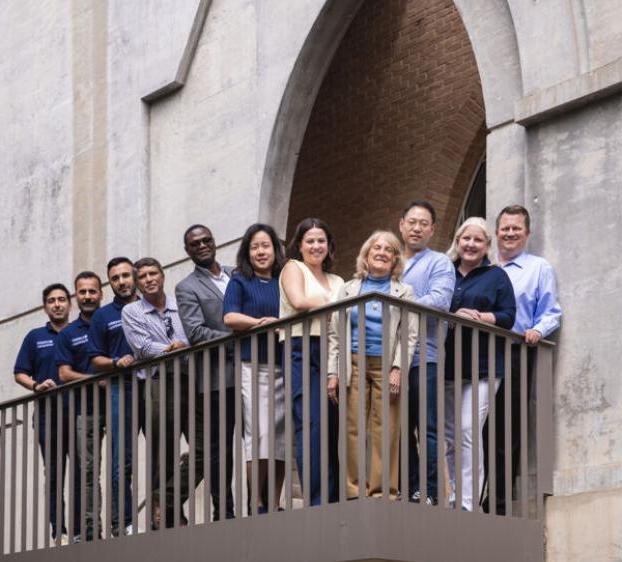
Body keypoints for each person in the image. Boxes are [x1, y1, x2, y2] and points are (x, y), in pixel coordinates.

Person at [327, 231, 418, 499]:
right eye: (375, 248)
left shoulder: (404, 291)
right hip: (353, 363)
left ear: (394, 259)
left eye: (388, 249)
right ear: (366, 255)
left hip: (386, 364)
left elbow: (409, 334)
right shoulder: (348, 288)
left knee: (387, 429)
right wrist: (333, 372)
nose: (381, 252)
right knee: (352, 427)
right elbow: (334, 332)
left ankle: (383, 492)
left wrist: (399, 368)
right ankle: (354, 491)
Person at [484, 205, 562, 514]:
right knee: (476, 425)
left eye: (516, 228)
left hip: (515, 351)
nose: (510, 233)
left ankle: (499, 500)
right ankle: (475, 493)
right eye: (505, 228)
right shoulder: (486, 268)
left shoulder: (538, 267)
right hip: (478, 351)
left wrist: (537, 330)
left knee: (508, 426)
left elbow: (551, 310)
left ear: (527, 234)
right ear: (497, 232)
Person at [444, 217, 516, 511]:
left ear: (487, 246)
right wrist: (453, 312)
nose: (471, 244)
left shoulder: (496, 276)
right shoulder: (445, 272)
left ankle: (469, 501)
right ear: (457, 241)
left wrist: (479, 316)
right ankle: (453, 495)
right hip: (448, 364)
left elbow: (508, 316)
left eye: (478, 240)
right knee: (450, 435)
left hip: (484, 367)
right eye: (466, 238)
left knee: (467, 429)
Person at [121, 258, 191, 528]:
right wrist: (171, 349)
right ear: (138, 283)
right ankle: (166, 518)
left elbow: (192, 335)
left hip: (191, 378)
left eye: (153, 273)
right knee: (163, 451)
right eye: (143, 276)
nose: (149, 279)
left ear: (163, 275)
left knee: (205, 448)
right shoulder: (132, 311)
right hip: (159, 380)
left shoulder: (180, 303)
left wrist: (180, 345)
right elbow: (142, 348)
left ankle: (165, 500)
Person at [279, 218, 344, 506]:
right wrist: (341, 304)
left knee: (335, 425)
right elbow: (299, 300)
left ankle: (338, 496)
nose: (316, 246)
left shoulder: (338, 281)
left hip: (333, 349)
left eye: (321, 241)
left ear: (329, 245)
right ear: (300, 245)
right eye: (310, 241)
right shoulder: (294, 268)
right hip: (301, 347)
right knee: (311, 423)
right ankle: (317, 500)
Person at [223, 223, 286, 513]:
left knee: (281, 435)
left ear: (276, 249)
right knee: (258, 433)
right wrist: (260, 323)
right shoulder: (240, 281)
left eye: (266, 246)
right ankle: (256, 502)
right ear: (247, 252)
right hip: (252, 363)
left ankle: (274, 501)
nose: (261, 252)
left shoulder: (285, 280)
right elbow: (230, 317)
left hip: (285, 365)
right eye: (255, 247)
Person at [175, 224, 235, 520]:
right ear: (187, 251)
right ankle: (224, 510)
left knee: (255, 442)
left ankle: (258, 503)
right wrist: (236, 341)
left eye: (206, 240)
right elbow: (196, 332)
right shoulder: (186, 287)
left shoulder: (238, 274)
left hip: (251, 371)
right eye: (194, 243)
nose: (201, 245)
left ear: (215, 241)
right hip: (216, 379)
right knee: (218, 449)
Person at [13, 283, 80, 543]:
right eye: (51, 300)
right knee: (54, 474)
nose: (57, 304)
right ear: (45, 306)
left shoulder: (79, 333)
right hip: (47, 415)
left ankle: (77, 530)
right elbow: (19, 372)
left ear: (69, 303)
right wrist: (36, 386)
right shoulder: (34, 337)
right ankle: (59, 532)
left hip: (78, 412)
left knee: (80, 473)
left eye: (62, 299)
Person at [399, 200, 455, 504]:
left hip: (426, 356)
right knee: (400, 427)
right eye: (412, 221)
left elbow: (440, 302)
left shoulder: (439, 263)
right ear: (401, 224)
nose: (417, 227)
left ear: (432, 229)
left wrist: (397, 303)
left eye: (424, 223)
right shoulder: (392, 260)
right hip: (392, 359)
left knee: (428, 428)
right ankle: (409, 489)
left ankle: (431, 491)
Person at [87, 257, 140, 534]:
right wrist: (115, 362)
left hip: (154, 385)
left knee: (160, 454)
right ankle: (124, 524)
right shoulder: (103, 315)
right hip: (122, 387)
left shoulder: (151, 304)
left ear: (135, 275)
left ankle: (162, 517)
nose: (121, 281)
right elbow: (95, 358)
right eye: (115, 278)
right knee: (122, 460)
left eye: (125, 275)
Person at [56, 271, 103, 540]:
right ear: (76, 296)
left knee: (122, 467)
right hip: (86, 409)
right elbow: (64, 374)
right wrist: (96, 380)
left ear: (100, 293)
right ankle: (91, 529)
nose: (87, 296)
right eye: (82, 292)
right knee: (87, 471)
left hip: (121, 403)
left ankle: (124, 522)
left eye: (92, 291)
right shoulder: (69, 333)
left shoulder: (111, 319)